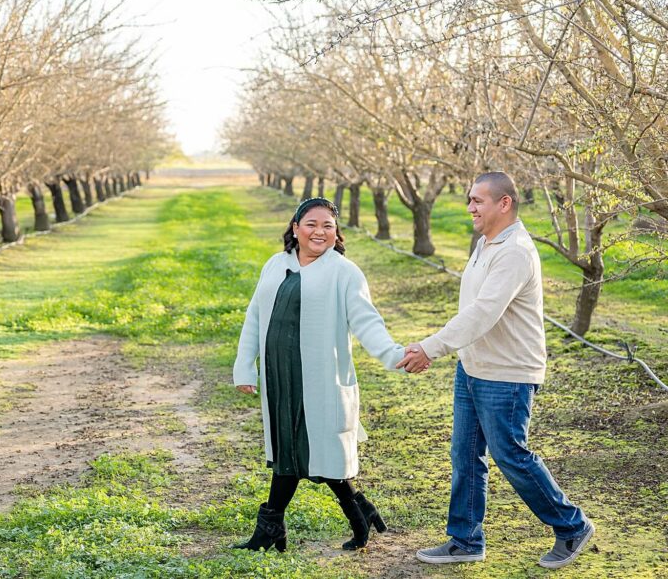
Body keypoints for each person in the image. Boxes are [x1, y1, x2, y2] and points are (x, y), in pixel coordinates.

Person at [398, 171, 594, 570]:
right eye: (469, 199)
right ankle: (465, 540)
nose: (470, 207)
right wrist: (454, 352)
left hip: (508, 373)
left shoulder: (515, 251)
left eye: (478, 201)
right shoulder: (486, 242)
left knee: (511, 455)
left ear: (504, 203)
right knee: (465, 454)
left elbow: (485, 312)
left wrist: (431, 348)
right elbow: (472, 310)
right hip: (473, 367)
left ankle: (572, 525)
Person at [232, 197, 411, 553]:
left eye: (328, 226)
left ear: (336, 233)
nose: (319, 232)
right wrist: (243, 365)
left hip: (320, 380)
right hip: (279, 379)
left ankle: (279, 528)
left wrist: (395, 355)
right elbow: (254, 316)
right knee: (288, 451)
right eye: (311, 224)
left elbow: (366, 321)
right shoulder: (274, 264)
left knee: (318, 452)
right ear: (295, 228)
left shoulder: (344, 272)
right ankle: (353, 512)